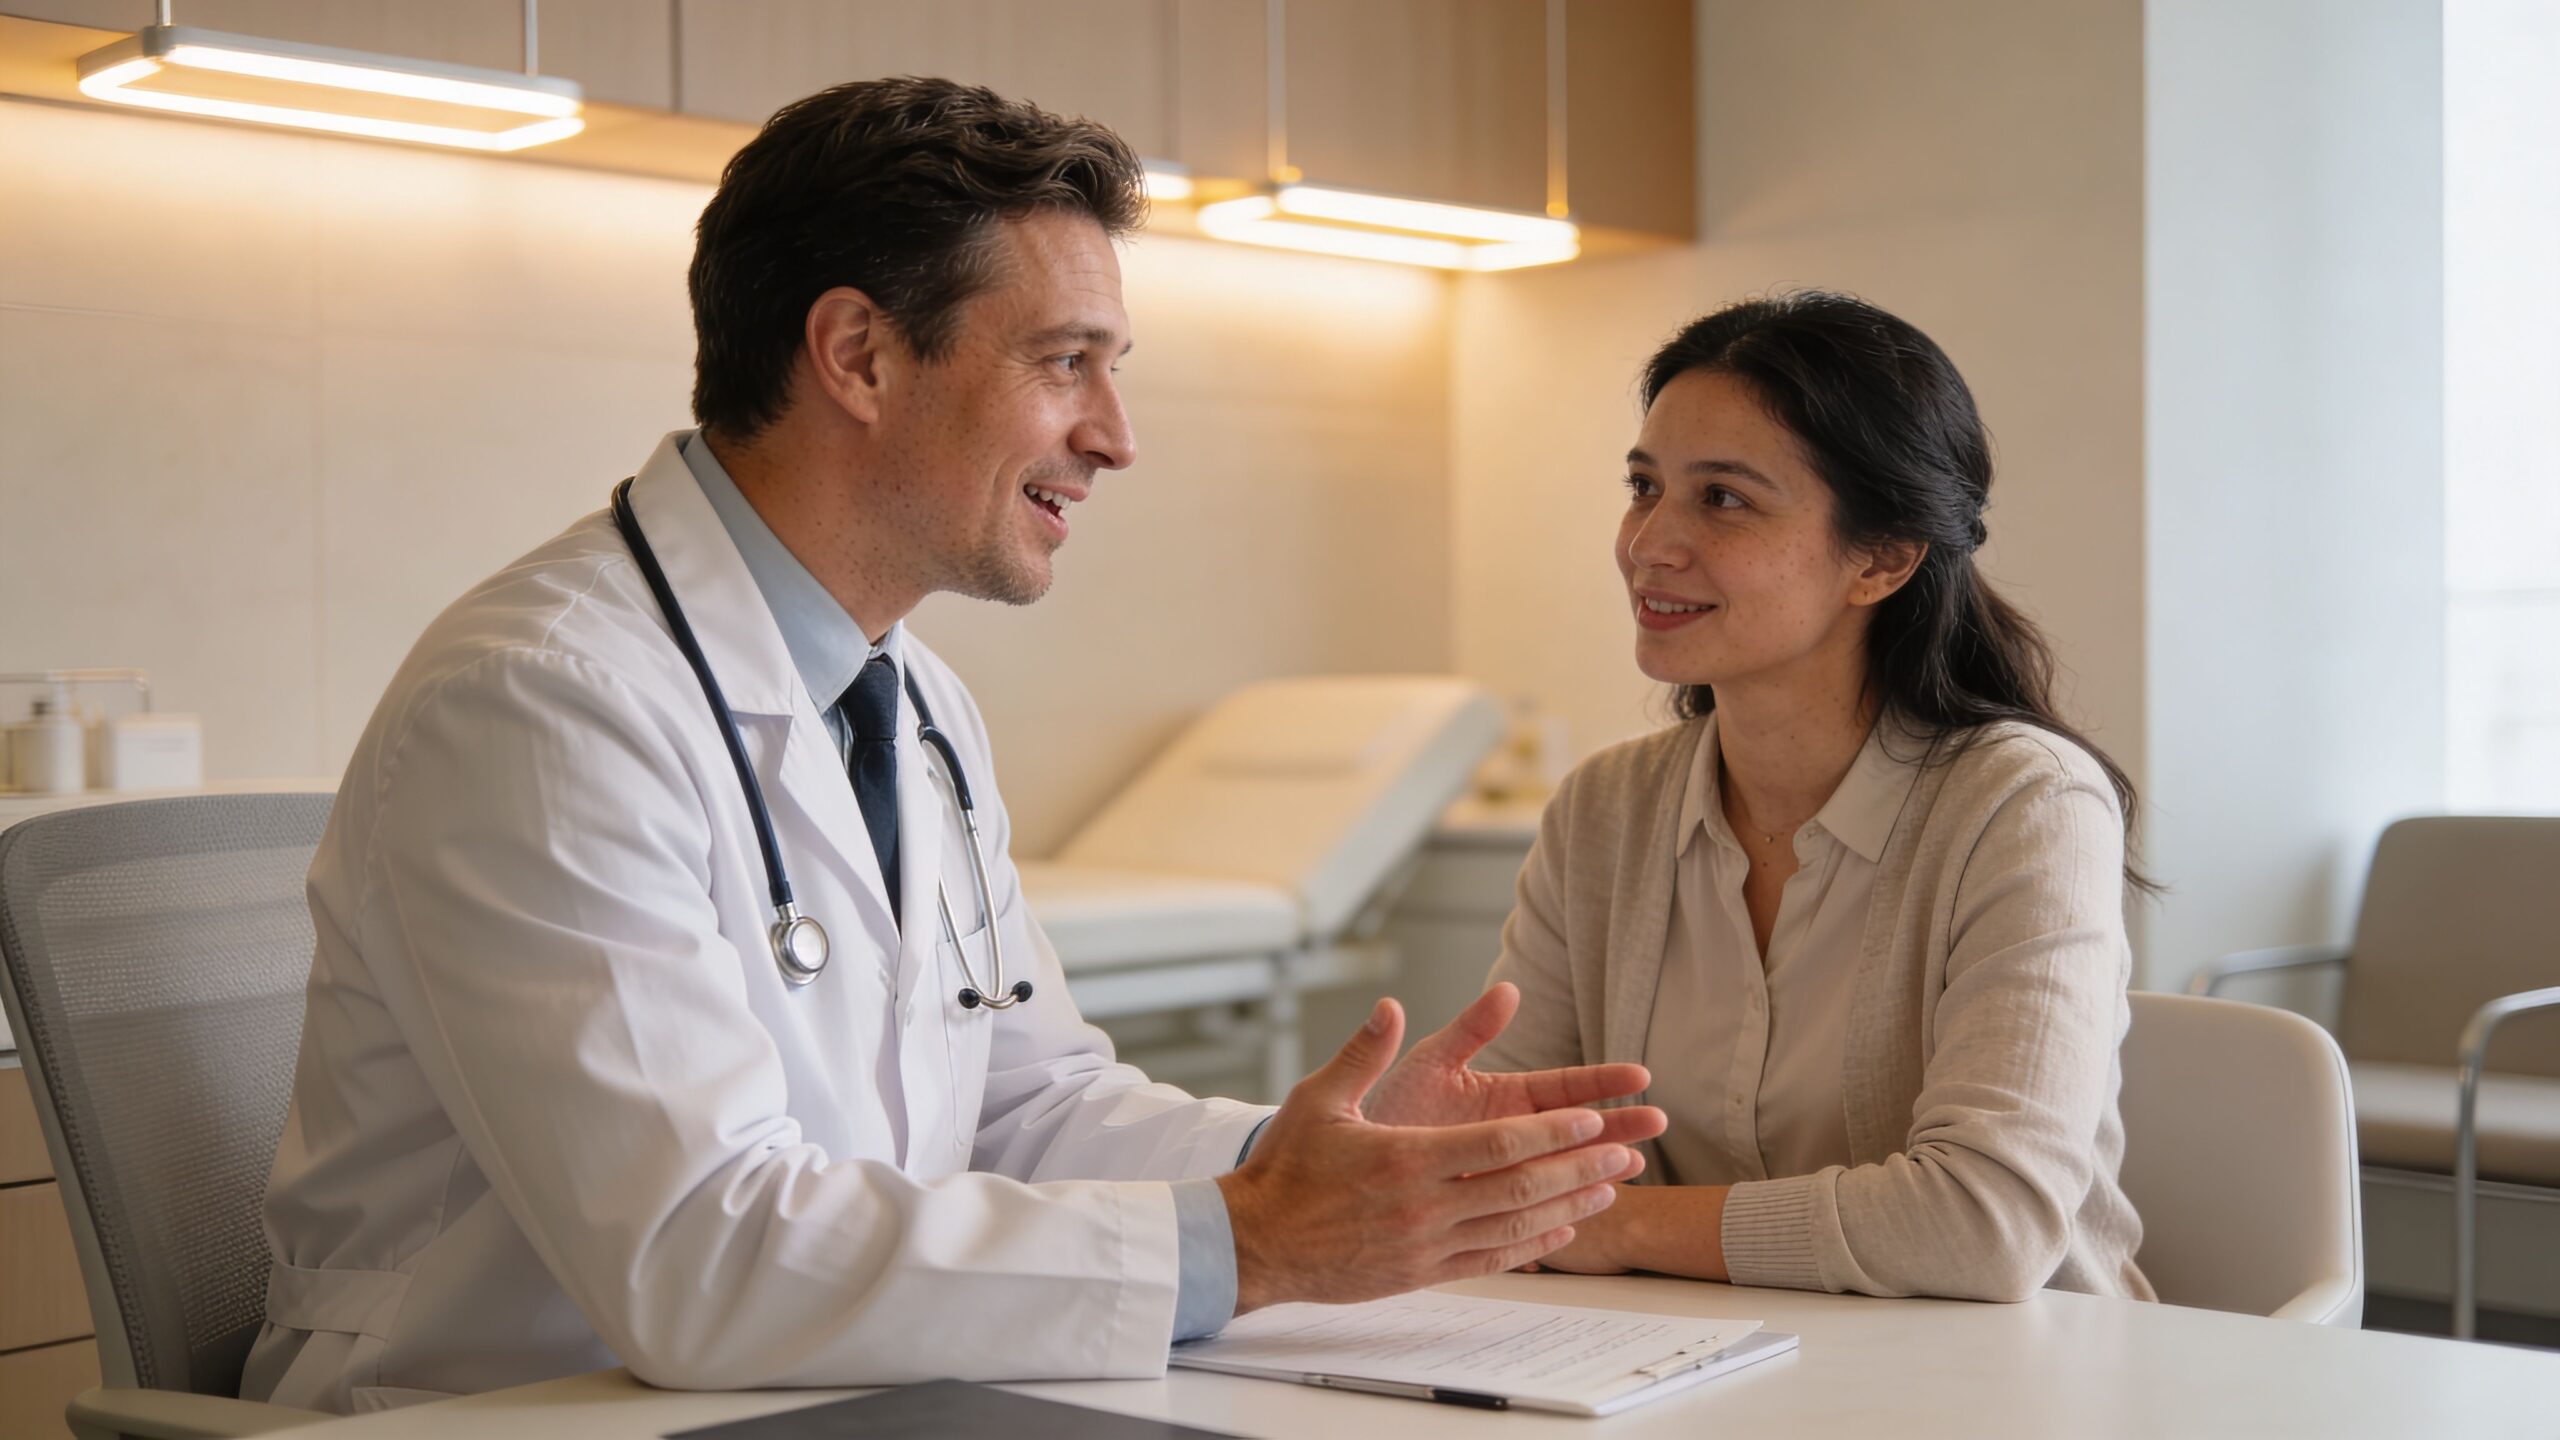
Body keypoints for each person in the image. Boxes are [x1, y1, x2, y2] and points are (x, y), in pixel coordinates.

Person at [244, 77, 1664, 1414]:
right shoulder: (545, 704)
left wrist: (1292, 1162)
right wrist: (1253, 1242)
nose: (1114, 437)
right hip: (506, 1413)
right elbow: (697, 1257)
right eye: (1066, 364)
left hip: (828, 1398)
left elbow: (1027, 1106)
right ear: (857, 355)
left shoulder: (906, 698)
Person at [1480, 292, 2154, 1304]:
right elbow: (1503, 1151)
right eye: (1643, 485)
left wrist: (1616, 1226)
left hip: (2004, 1388)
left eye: (1723, 499)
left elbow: (1981, 1226)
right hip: (1679, 1370)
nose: (1649, 543)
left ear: (1881, 558)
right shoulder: (1604, 810)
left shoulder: (2024, 804)